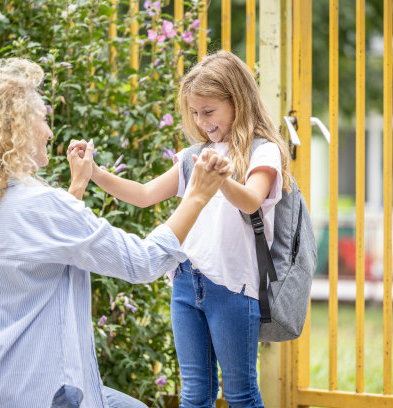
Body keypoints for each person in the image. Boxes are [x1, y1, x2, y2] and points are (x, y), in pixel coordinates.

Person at [0, 57, 230, 408]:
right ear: (18, 129)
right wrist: (196, 195)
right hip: (37, 392)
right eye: (43, 119)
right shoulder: (42, 207)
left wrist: (77, 188)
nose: (49, 131)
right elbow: (142, 262)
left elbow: (33, 260)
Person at [68, 50, 292, 408]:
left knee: (240, 393)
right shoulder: (193, 157)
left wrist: (216, 179)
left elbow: (251, 200)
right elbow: (143, 195)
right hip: (186, 283)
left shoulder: (262, 151)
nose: (201, 122)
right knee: (193, 392)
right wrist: (94, 173)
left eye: (209, 111)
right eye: (194, 112)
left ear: (237, 101)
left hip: (234, 287)